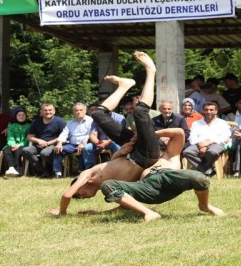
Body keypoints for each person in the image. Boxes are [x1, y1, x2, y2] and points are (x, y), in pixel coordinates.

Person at [48, 51, 180, 216]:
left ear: (80, 185)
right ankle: (133, 82)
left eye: (78, 195)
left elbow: (66, 194)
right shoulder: (107, 187)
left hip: (135, 150)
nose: (81, 197)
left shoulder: (88, 174)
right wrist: (97, 213)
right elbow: (124, 203)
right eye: (80, 198)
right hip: (147, 153)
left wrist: (61, 212)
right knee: (139, 113)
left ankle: (141, 76)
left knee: (98, 114)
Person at [93, 167, 224, 222]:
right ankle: (149, 213)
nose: (82, 196)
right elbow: (125, 201)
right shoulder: (136, 159)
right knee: (108, 185)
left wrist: (158, 134)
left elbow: (178, 132)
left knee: (199, 178)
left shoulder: (170, 151)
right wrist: (100, 213)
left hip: (171, 177)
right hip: (147, 185)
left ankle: (205, 206)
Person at [183, 101, 232, 177]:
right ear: (203, 111)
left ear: (216, 111)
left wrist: (208, 143)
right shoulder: (196, 123)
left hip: (216, 143)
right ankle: (208, 170)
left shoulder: (222, 123)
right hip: (199, 144)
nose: (208, 112)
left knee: (212, 152)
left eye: (211, 110)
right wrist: (202, 145)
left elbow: (226, 137)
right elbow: (192, 137)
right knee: (187, 152)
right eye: (206, 110)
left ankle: (204, 169)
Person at [21, 103, 66, 178]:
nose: (48, 112)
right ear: (41, 111)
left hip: (54, 145)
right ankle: (43, 171)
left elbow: (64, 136)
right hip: (39, 145)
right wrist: (39, 141)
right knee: (25, 150)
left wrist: (48, 143)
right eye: (45, 110)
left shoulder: (60, 121)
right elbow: (29, 136)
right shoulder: (36, 122)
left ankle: (58, 168)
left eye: (50, 110)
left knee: (44, 153)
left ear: (54, 111)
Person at [53, 102, 94, 177]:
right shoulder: (70, 122)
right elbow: (64, 133)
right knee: (58, 149)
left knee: (84, 148)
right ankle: (57, 172)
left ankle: (81, 172)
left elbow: (89, 134)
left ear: (85, 111)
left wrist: (82, 143)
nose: (79, 112)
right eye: (76, 110)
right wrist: (59, 143)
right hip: (72, 144)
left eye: (81, 110)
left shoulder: (90, 121)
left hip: (86, 143)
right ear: (73, 112)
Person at [3, 109, 32, 177]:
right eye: (19, 115)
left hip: (24, 144)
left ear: (26, 116)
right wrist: (12, 144)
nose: (21, 116)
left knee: (18, 150)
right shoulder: (11, 124)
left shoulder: (29, 125)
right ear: (16, 116)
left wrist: (19, 145)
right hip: (12, 143)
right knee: (6, 150)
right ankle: (11, 168)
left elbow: (28, 138)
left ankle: (18, 171)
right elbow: (10, 136)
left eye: (23, 115)